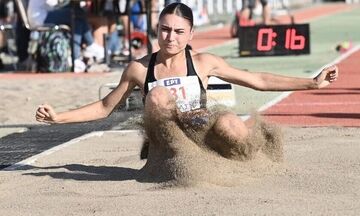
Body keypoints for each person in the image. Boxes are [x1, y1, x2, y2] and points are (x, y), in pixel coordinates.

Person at [35, 3, 339, 161]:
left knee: (231, 122)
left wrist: (312, 83)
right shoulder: (140, 69)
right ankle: (162, 155)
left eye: (179, 32)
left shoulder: (204, 62)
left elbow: (256, 79)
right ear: (157, 30)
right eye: (165, 30)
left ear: (191, 35)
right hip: (166, 145)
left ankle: (250, 154)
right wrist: (59, 117)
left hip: (201, 133)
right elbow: (104, 107)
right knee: (157, 98)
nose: (171, 37)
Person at [27, 0, 105, 72]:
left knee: (78, 13)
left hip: (43, 14)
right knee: (75, 14)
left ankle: (86, 49)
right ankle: (81, 53)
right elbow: (54, 2)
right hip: (40, 17)